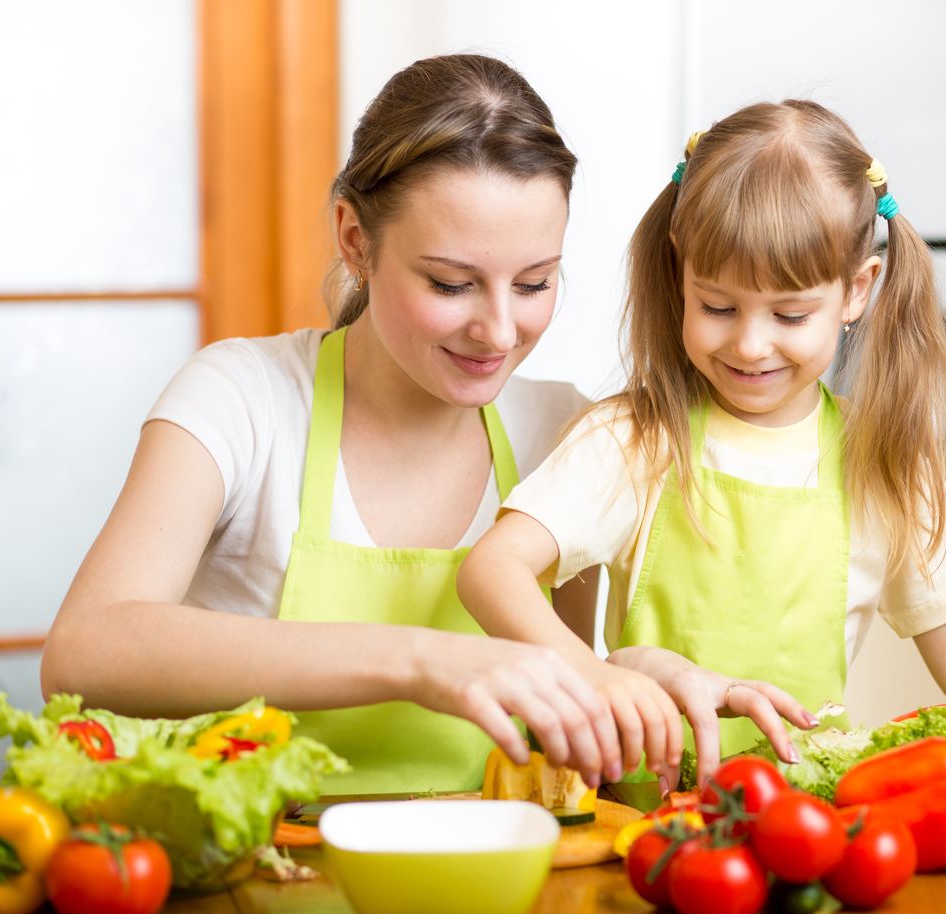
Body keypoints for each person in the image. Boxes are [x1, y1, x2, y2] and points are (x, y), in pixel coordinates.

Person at [458, 99, 946, 786]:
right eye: (717, 305)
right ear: (679, 272)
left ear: (857, 290)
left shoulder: (881, 463)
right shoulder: (635, 440)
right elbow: (492, 571)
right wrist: (599, 678)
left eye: (791, 313)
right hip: (654, 830)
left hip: (809, 831)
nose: (750, 342)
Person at [39, 54, 664, 795]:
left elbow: (561, 713)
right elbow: (85, 650)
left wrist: (639, 682)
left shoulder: (567, 433)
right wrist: (422, 661)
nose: (499, 331)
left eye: (534, 283)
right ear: (355, 238)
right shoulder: (243, 399)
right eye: (451, 283)